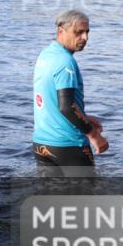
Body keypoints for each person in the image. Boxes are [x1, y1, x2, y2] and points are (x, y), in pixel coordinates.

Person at [32, 10, 108, 174]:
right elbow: (67, 106)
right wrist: (94, 135)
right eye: (78, 32)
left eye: (87, 32)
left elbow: (50, 99)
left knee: (53, 198)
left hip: (42, 145)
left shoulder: (45, 55)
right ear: (61, 30)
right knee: (86, 199)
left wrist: (83, 117)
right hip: (68, 146)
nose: (85, 38)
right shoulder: (65, 61)